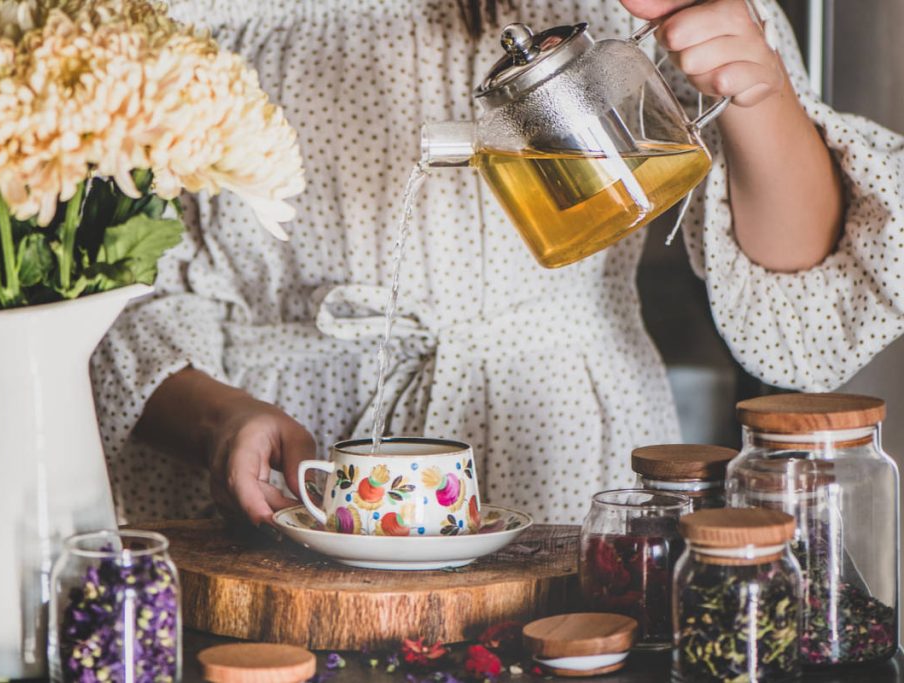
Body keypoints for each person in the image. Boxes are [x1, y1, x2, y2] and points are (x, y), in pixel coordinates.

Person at [91, 0, 904, 526]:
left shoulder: (615, 11)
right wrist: (220, 421)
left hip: (568, 465)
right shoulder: (202, 20)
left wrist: (757, 92)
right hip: (286, 485)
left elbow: (802, 304)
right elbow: (109, 296)